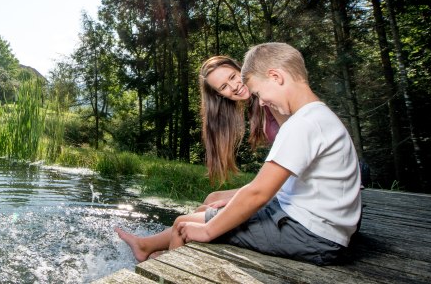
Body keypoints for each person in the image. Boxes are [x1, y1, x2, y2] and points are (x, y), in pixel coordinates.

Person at [176, 42, 362, 265]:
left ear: (275, 76)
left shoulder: (301, 123)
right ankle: (155, 251)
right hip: (316, 219)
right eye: (223, 87)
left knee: (183, 225)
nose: (261, 101)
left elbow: (259, 193)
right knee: (202, 212)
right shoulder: (317, 115)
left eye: (259, 93)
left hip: (313, 232)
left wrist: (208, 231)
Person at [115, 55, 286, 262]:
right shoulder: (258, 106)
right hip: (283, 188)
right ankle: (153, 246)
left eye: (233, 76)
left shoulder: (272, 101)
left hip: (288, 196)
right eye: (223, 87)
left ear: (240, 69)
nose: (233, 87)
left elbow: (291, 171)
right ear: (220, 95)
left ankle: (155, 249)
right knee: (213, 199)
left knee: (202, 213)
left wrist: (239, 199)